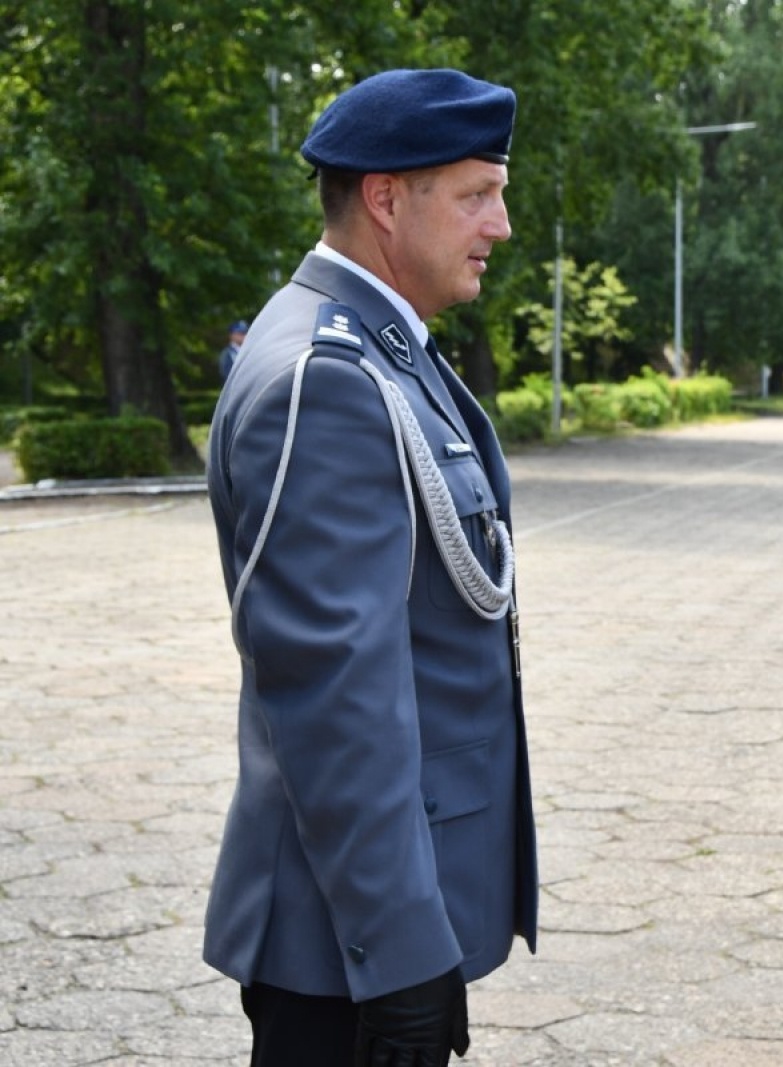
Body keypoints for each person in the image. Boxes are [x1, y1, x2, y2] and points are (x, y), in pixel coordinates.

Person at [204, 69, 536, 1066]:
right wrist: (401, 951)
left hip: (371, 909)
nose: (502, 224)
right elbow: (338, 694)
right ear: (388, 198)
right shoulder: (329, 376)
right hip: (343, 937)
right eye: (477, 193)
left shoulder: (381, 349)